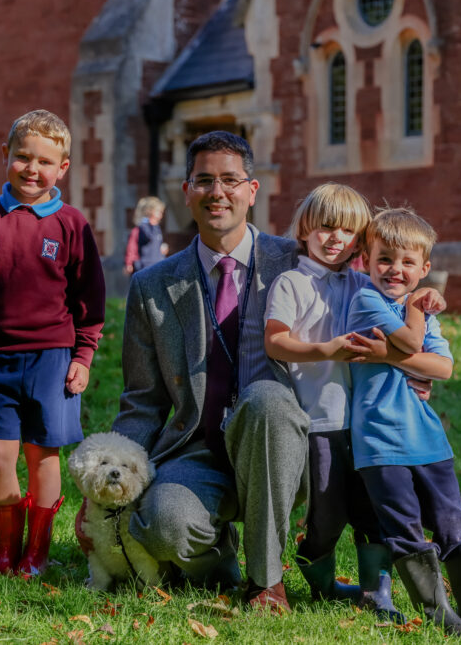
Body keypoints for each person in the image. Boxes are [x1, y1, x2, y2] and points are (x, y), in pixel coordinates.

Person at [109, 131, 309, 612]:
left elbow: (364, 301)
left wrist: (413, 339)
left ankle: (267, 580)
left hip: (278, 446)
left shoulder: (297, 263)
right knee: (163, 526)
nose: (217, 192)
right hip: (193, 449)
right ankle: (219, 561)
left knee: (265, 399)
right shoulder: (151, 285)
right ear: (186, 192)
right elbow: (143, 398)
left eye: (229, 180)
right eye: (203, 181)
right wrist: (108, 493)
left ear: (252, 190)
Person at [0, 109, 105, 578]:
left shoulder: (71, 225)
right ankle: (5, 552)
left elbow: (89, 300)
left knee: (42, 455)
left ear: (62, 167)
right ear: (6, 156)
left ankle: (36, 554)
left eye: (45, 161)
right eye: (22, 157)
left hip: (52, 359)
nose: (32, 169)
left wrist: (83, 355)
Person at [345, 207, 461, 640]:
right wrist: (418, 305)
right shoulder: (367, 300)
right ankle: (439, 615)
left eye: (407, 262)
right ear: (365, 261)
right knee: (405, 526)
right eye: (385, 260)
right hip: (379, 441)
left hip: (427, 438)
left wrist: (385, 355)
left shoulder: (421, 310)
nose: (395, 270)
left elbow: (443, 368)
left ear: (424, 267)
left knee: (454, 521)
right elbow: (415, 342)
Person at [263, 183, 406, 622]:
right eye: (326, 227)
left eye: (347, 231)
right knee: (328, 509)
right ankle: (317, 566)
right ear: (305, 229)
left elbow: (400, 321)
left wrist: (423, 303)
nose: (335, 239)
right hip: (320, 418)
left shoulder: (363, 283)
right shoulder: (292, 281)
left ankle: (375, 591)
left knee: (371, 505)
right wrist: (326, 350)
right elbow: (275, 341)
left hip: (369, 419)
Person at [124, 196, 169, 275]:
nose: (161, 215)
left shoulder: (157, 228)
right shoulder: (141, 228)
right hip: (145, 267)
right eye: (159, 212)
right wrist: (129, 263)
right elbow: (132, 247)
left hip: (158, 265)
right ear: (150, 211)